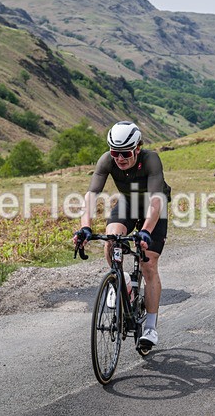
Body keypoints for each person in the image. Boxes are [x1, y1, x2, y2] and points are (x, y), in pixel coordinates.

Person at [73, 121, 170, 354]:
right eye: (115, 152)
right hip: (128, 204)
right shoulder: (107, 159)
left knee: (149, 264)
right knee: (111, 239)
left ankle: (149, 327)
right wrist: (85, 227)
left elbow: (156, 201)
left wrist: (145, 230)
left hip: (154, 205)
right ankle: (121, 281)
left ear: (138, 148)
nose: (120, 158)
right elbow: (91, 194)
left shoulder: (151, 160)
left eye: (125, 153)